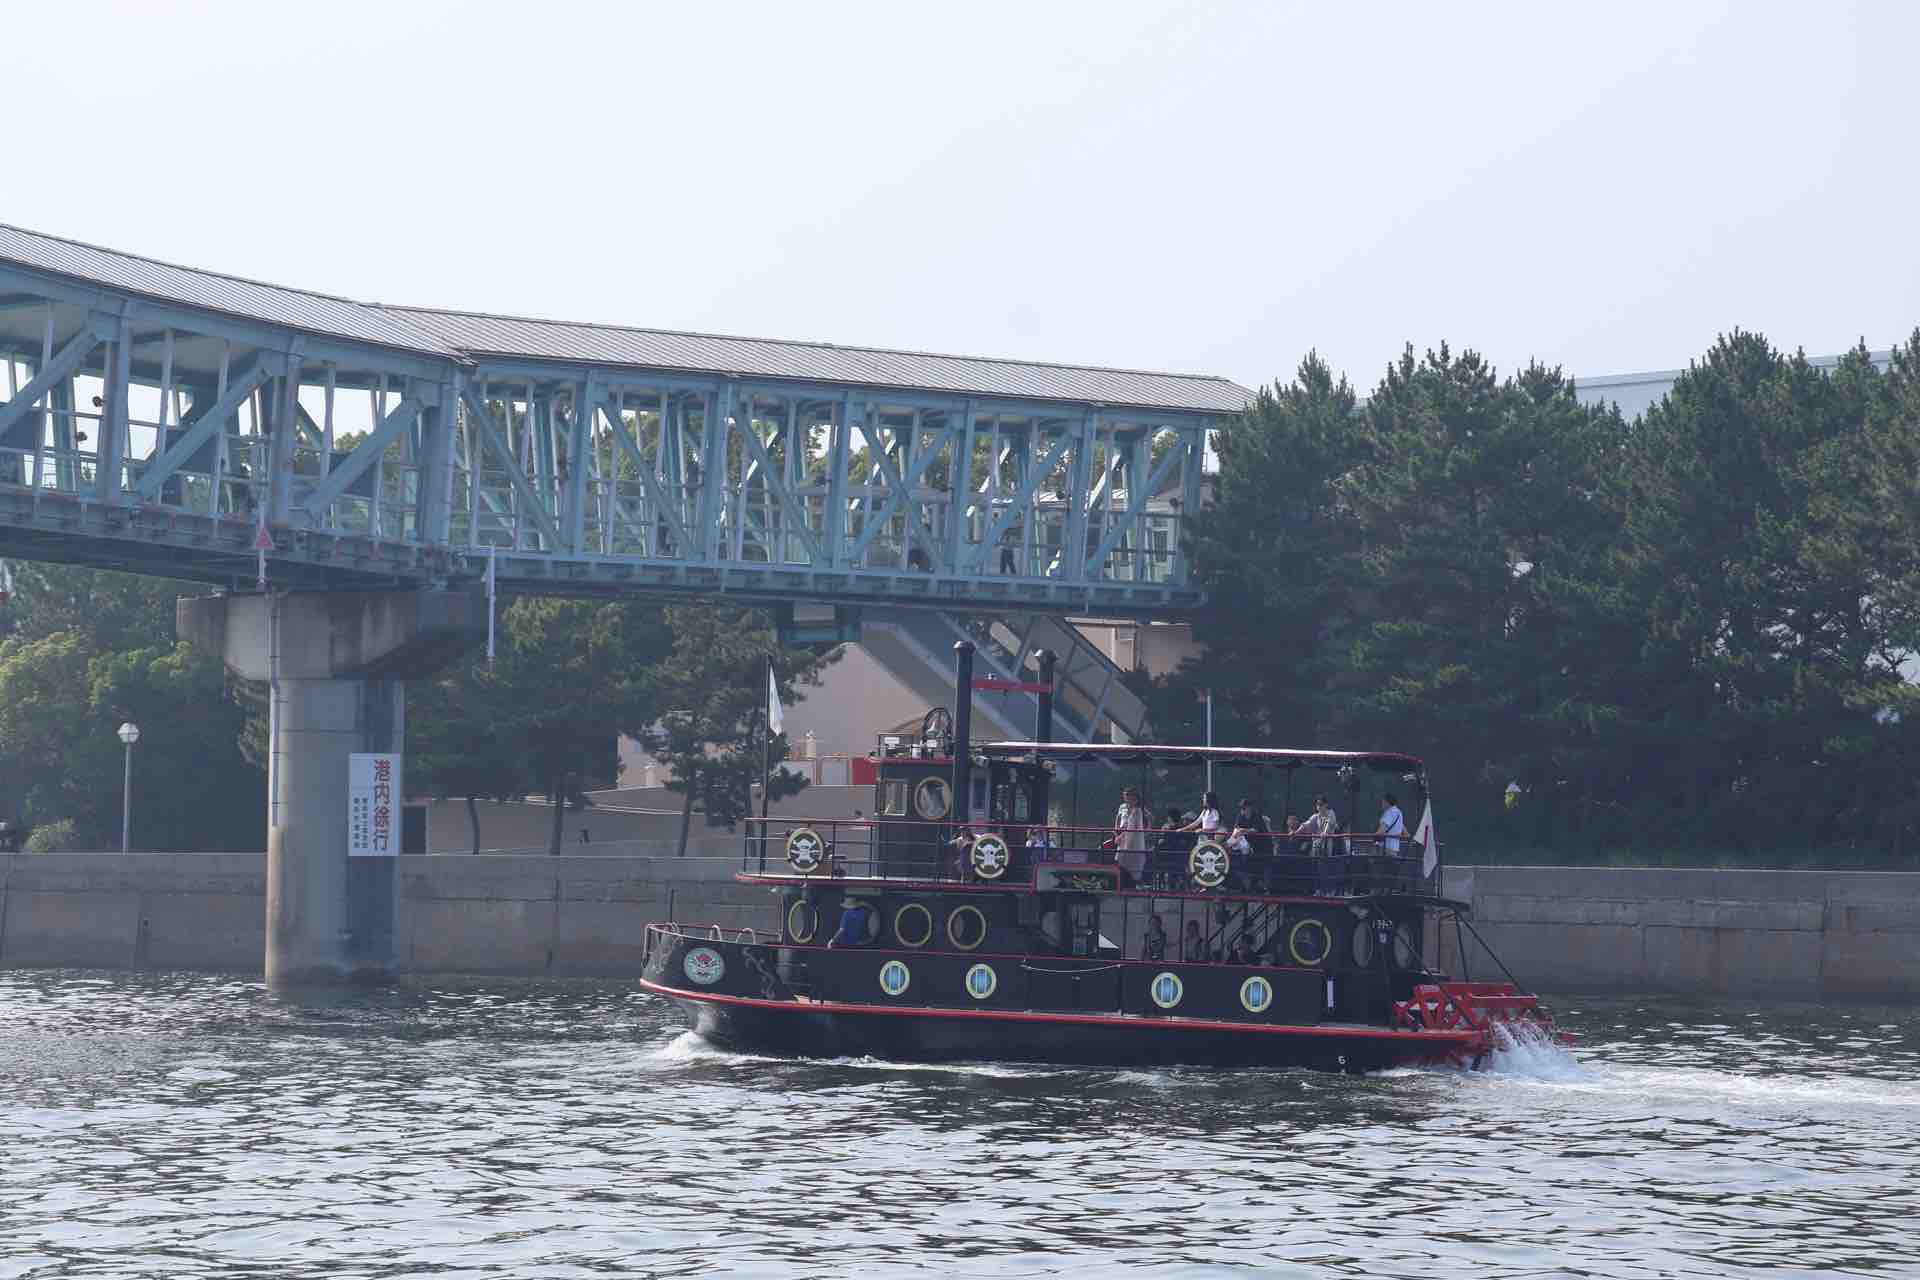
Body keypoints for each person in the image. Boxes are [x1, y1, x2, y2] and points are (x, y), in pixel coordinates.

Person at [1112, 786, 1151, 885]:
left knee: (1134, 860)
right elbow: (1118, 818)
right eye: (1125, 796)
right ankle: (1122, 882)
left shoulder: (1139, 809)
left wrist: (1147, 830)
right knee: (1120, 859)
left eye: (1128, 796)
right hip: (1122, 837)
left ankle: (1134, 881)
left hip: (1134, 838)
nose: (1126, 799)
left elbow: (1148, 818)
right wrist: (1116, 830)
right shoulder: (1122, 807)